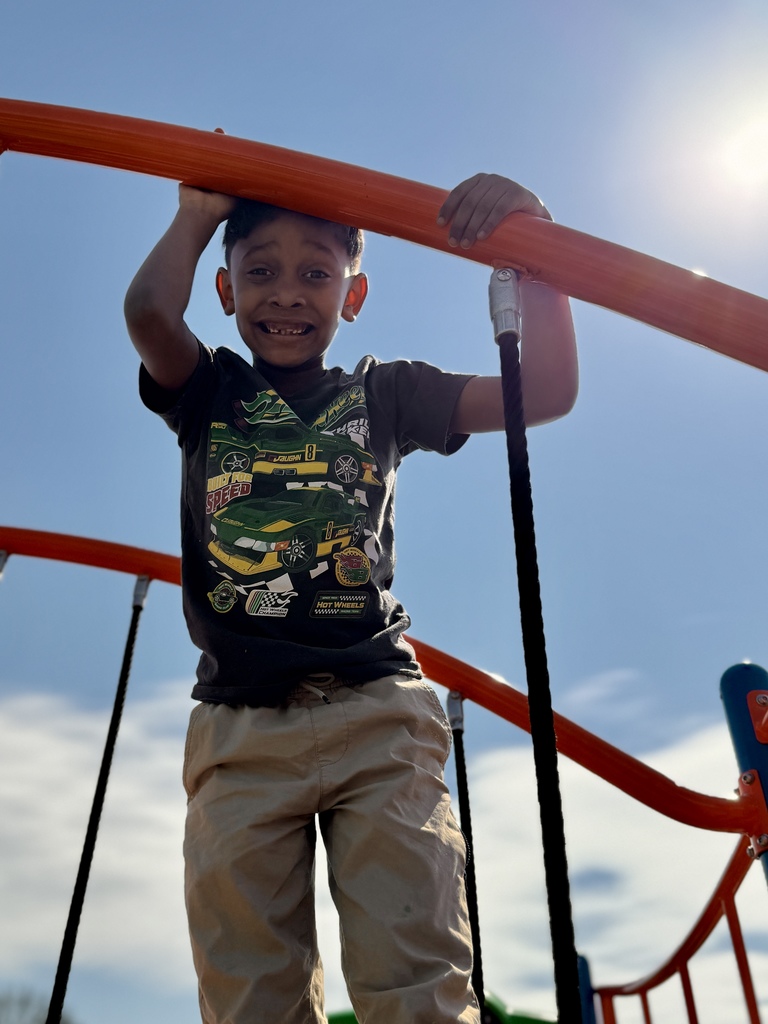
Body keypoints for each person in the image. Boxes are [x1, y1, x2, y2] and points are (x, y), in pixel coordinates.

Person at [124, 172, 578, 1024]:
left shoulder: (385, 393)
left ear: (354, 293)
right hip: (240, 729)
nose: (286, 294)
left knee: (417, 975)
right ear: (223, 290)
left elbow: (543, 392)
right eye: (259, 272)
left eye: (315, 274)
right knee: (249, 989)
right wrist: (194, 218)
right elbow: (149, 316)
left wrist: (538, 248)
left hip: (376, 711)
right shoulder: (209, 391)